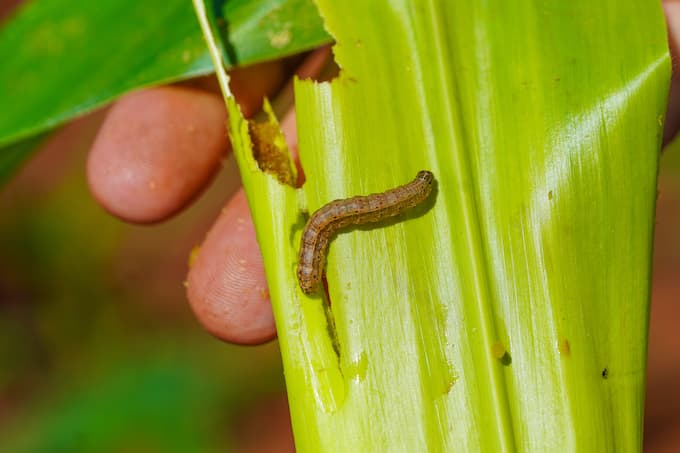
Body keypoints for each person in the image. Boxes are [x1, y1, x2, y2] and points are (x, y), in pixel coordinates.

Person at [86, 4, 680, 346]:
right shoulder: (322, 229)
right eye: (310, 271)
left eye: (309, 271)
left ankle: (417, 189)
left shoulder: (333, 224)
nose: (311, 269)